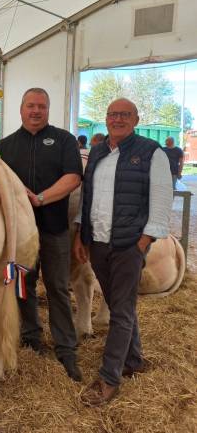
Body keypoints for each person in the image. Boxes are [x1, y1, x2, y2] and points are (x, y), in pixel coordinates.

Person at [73, 98, 172, 406]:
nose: (117, 119)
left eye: (124, 115)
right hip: (98, 243)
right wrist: (81, 234)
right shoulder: (100, 152)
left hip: (129, 245)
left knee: (121, 310)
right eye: (113, 114)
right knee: (120, 304)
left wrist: (142, 244)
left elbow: (161, 204)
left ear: (135, 119)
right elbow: (87, 198)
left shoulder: (151, 153)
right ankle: (135, 360)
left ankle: (109, 377)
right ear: (106, 119)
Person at [0, 88, 83, 382]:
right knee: (22, 285)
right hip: (19, 233)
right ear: (21, 110)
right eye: (31, 106)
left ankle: (65, 347)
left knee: (58, 287)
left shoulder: (64, 140)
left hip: (55, 228)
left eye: (42, 106)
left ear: (48, 110)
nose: (36, 111)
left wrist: (41, 198)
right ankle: (30, 336)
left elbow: (73, 177)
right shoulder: (5, 146)